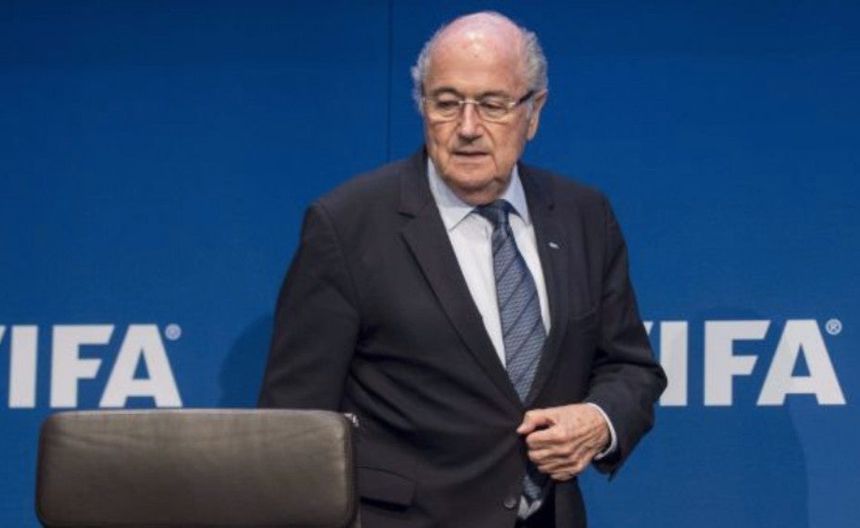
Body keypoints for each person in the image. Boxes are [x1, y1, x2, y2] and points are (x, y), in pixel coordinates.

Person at [259, 11, 666, 528]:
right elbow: (295, 426)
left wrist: (599, 420)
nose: (468, 128)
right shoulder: (347, 225)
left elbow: (630, 366)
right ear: (423, 106)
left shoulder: (583, 215)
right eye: (447, 103)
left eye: (492, 105)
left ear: (534, 112)